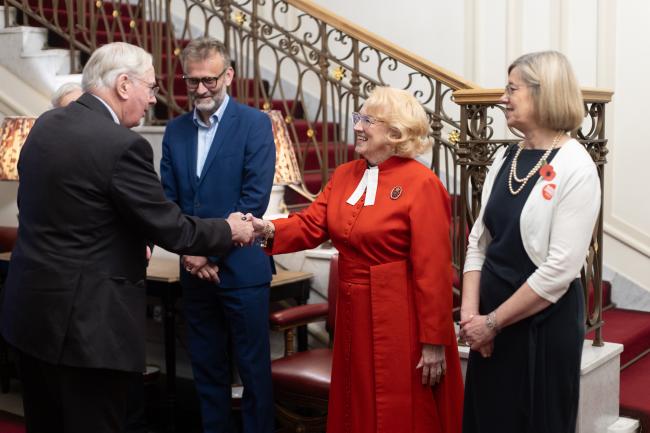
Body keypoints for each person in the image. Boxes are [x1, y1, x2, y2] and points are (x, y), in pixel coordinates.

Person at [0, 42, 254, 433]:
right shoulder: (121, 145)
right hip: (88, 329)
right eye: (150, 88)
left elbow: (74, 211)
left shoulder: (46, 124)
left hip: (32, 317)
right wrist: (229, 229)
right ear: (123, 85)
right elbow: (172, 227)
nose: (153, 100)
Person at [251, 86, 464, 433]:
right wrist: (265, 228)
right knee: (355, 405)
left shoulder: (422, 184)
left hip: (400, 318)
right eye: (358, 117)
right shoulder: (346, 174)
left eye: (368, 120)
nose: (357, 127)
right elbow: (309, 225)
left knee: (399, 410)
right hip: (354, 313)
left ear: (395, 132)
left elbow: (434, 271)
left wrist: (434, 341)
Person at [459, 51, 600, 433]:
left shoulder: (577, 166)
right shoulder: (505, 156)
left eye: (512, 89)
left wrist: (493, 322)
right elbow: (478, 241)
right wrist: (471, 316)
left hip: (541, 325)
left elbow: (559, 271)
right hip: (489, 327)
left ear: (543, 93)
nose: (503, 98)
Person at [160, 37, 275, 433]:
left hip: (241, 271)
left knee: (254, 374)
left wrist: (205, 252)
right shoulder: (174, 131)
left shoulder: (256, 124)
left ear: (228, 75)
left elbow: (253, 200)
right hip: (195, 274)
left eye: (210, 79)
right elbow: (167, 202)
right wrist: (191, 254)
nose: (202, 89)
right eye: (193, 81)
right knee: (207, 374)